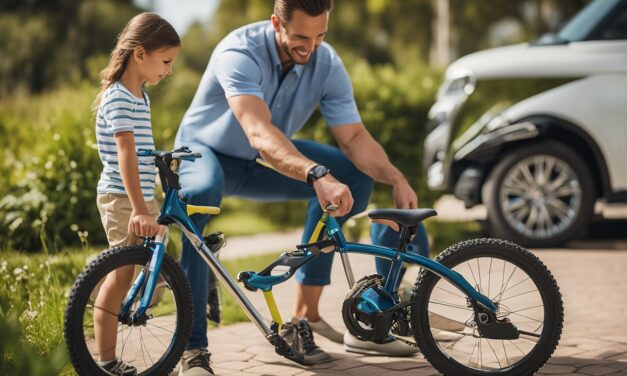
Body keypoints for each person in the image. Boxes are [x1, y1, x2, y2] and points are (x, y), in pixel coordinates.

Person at [174, 0, 427, 373]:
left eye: (320, 35)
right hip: (205, 151)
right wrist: (316, 175)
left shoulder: (327, 63)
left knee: (355, 177)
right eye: (300, 37)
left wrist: (394, 177)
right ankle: (192, 350)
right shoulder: (238, 51)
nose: (310, 47)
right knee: (200, 197)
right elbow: (258, 131)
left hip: (262, 161)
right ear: (276, 22)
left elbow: (353, 136)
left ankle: (314, 317)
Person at [92, 13, 181, 376]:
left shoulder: (140, 95)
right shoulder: (118, 98)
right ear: (140, 54)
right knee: (121, 274)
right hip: (122, 199)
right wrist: (141, 209)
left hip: (143, 200)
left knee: (154, 268)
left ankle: (132, 301)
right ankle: (107, 360)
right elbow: (126, 153)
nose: (169, 71)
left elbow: (142, 152)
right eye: (166, 62)